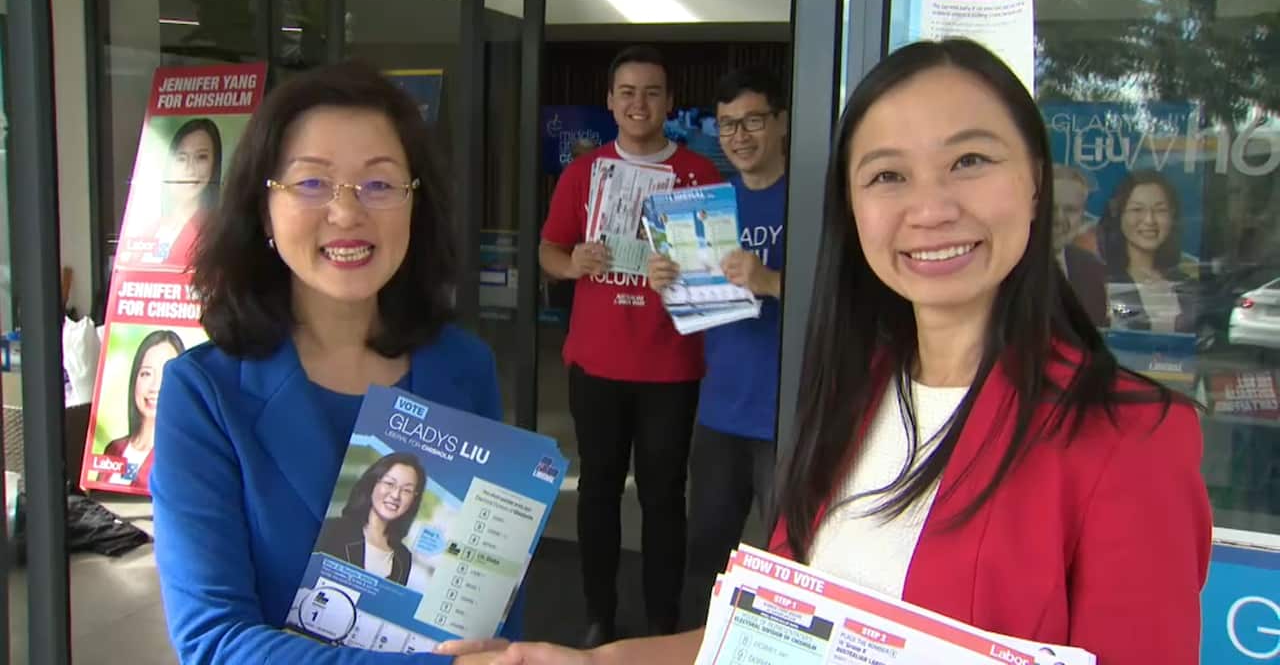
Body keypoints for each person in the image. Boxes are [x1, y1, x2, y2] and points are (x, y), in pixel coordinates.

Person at [493, 39, 1211, 665]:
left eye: (969, 160)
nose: (929, 208)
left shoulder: (1131, 442)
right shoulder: (851, 397)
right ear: (854, 210)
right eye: (887, 175)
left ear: (1033, 186)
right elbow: (764, 640)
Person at [151, 61, 516, 664]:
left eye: (379, 184)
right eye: (312, 183)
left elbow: (491, 593)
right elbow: (215, 640)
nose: (347, 214)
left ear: (414, 206)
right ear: (263, 208)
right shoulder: (204, 396)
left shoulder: (465, 369)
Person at [539, 44, 721, 645]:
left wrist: (687, 271)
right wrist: (573, 264)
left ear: (669, 103)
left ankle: (664, 616)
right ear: (610, 102)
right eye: (627, 92)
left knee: (665, 497)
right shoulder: (584, 173)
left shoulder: (700, 174)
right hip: (597, 361)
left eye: (651, 92)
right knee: (598, 490)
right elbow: (548, 250)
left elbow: (720, 272)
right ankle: (598, 612)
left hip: (671, 365)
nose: (639, 103)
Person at [645, 65, 787, 630]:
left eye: (753, 121)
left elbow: (841, 298)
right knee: (706, 555)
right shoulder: (708, 204)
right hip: (721, 412)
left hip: (790, 416)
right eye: (728, 125)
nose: (740, 136)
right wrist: (667, 284)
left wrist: (771, 280)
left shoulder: (812, 204)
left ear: (782, 123)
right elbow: (692, 307)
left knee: (794, 555)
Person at [1100, 170, 1195, 333]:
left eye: (1160, 210)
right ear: (1119, 215)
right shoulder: (1099, 281)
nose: (1149, 220)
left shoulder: (1187, 286)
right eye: (1137, 210)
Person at [122, 118, 224, 267]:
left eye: (201, 157)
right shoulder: (149, 229)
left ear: (214, 164)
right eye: (181, 158)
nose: (190, 169)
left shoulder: (217, 232)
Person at [316, 452, 427, 587]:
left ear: (414, 498)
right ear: (372, 484)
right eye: (389, 483)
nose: (396, 495)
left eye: (407, 490)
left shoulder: (403, 558)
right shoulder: (332, 529)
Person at [101, 329, 185, 489]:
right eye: (146, 373)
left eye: (165, 374)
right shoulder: (113, 449)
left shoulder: (180, 457)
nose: (154, 387)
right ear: (135, 379)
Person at [1050, 164, 1107, 326]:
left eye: (1070, 210)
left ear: (1082, 215)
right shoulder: (1006, 264)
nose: (1059, 218)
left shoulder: (1091, 267)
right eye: (1050, 208)